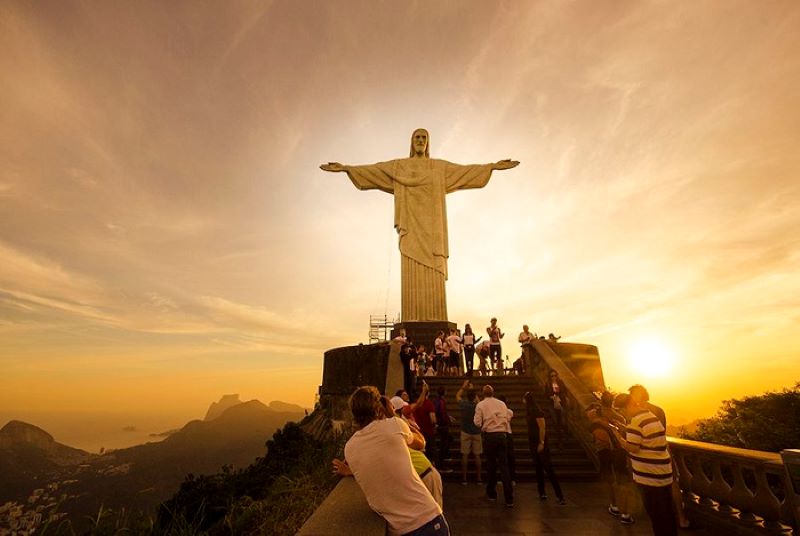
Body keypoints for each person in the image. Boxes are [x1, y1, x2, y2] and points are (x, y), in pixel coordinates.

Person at [321, 129, 518, 322]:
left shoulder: (438, 168)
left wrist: (491, 167)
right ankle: (412, 317)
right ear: (411, 141)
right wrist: (347, 168)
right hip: (411, 229)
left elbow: (465, 171)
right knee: (411, 268)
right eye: (417, 137)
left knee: (434, 270)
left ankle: (435, 317)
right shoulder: (400, 167)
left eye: (424, 137)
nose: (420, 140)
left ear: (428, 142)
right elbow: (376, 170)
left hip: (433, 233)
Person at [334, 386, 449, 535]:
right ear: (379, 408)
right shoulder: (395, 425)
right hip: (429, 521)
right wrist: (393, 415)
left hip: (400, 530)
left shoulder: (349, 448)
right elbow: (421, 443)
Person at [611, 393, 677, 536]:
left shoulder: (635, 422)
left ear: (628, 406)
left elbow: (632, 447)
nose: (621, 413)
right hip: (663, 473)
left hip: (649, 477)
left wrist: (617, 436)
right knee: (667, 512)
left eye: (620, 410)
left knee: (656, 515)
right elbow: (645, 438)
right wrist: (625, 428)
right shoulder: (650, 416)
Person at [628, 385, 691, 530]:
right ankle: (680, 518)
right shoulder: (657, 410)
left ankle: (672, 520)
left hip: (649, 461)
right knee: (670, 488)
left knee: (658, 500)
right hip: (663, 456)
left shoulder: (640, 414)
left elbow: (639, 439)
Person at [586, 400, 633, 524]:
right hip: (620, 451)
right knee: (622, 482)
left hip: (605, 452)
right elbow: (624, 435)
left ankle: (614, 506)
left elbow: (599, 437)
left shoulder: (595, 423)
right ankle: (626, 513)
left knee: (609, 480)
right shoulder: (618, 417)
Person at [473, 384, 514, 507]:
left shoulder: (480, 405)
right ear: (493, 393)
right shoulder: (501, 404)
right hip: (502, 435)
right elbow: (508, 416)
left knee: (491, 465)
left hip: (490, 436)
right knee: (504, 466)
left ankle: (492, 493)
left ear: (483, 393)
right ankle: (509, 497)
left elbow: (477, 422)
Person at [523, 391, 566, 504]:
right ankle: (541, 492)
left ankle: (559, 495)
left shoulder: (538, 412)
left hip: (539, 442)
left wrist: (541, 442)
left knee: (548, 468)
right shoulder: (529, 412)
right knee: (538, 469)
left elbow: (542, 428)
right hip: (532, 442)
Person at [455, 380, 482, 484]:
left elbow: (457, 396)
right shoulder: (478, 406)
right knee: (477, 455)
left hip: (465, 431)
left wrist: (464, 386)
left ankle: (464, 478)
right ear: (474, 396)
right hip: (476, 431)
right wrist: (473, 390)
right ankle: (479, 478)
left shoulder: (464, 404)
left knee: (465, 455)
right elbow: (479, 401)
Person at [413, 381, 438, 462]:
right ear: (429, 393)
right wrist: (435, 426)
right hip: (428, 432)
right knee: (430, 454)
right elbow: (433, 419)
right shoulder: (429, 404)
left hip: (418, 432)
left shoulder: (415, 404)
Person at [432, 386, 454, 469]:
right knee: (444, 443)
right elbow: (442, 413)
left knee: (447, 439)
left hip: (439, 423)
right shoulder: (441, 401)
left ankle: (445, 456)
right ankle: (442, 461)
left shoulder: (436, 401)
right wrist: (448, 420)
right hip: (442, 425)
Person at [544, 369, 567, 448]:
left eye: (555, 375)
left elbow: (564, 392)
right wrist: (551, 397)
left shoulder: (560, 383)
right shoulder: (548, 384)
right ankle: (560, 441)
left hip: (560, 403)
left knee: (562, 422)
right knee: (556, 422)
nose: (554, 377)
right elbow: (546, 394)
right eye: (552, 376)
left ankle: (564, 438)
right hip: (552, 404)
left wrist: (559, 396)